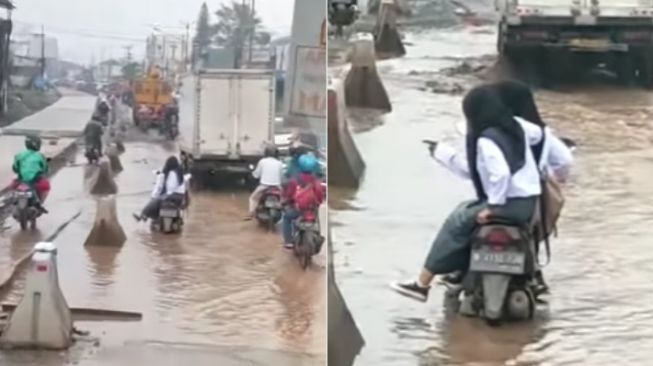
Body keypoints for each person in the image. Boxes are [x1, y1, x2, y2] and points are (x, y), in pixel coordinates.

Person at [390, 85, 548, 302]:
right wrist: (444, 154)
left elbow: (500, 174)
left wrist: (493, 207)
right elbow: (538, 134)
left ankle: (422, 284)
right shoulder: (517, 127)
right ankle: (459, 273)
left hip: (508, 205)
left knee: (456, 222)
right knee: (468, 214)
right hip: (528, 204)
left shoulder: (486, 139)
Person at [282, 154, 325, 249]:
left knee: (286, 217)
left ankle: (288, 241)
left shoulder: (295, 181)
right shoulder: (316, 182)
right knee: (317, 222)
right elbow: (320, 198)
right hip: (312, 211)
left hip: (298, 210)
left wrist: (285, 202)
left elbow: (289, 196)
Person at [133, 156, 188, 222]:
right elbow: (185, 187)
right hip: (180, 198)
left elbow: (164, 188)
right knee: (158, 200)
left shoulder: (168, 173)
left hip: (171, 196)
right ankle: (144, 216)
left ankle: (143, 215)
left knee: (156, 200)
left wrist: (154, 196)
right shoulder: (180, 172)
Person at [10, 135, 50, 213]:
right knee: (46, 187)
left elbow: (15, 168)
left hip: (21, 181)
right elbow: (45, 169)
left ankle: (14, 201)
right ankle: (40, 203)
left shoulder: (19, 155)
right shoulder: (40, 156)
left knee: (12, 186)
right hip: (36, 181)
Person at [245, 145, 284, 220]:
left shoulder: (262, 162)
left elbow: (256, 175)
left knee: (252, 198)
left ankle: (251, 213)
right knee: (284, 199)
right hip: (277, 186)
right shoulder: (279, 163)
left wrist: (252, 175)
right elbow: (281, 176)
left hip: (264, 186)